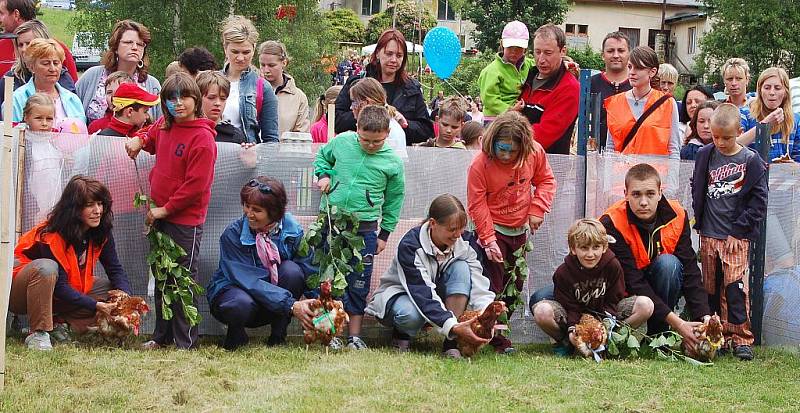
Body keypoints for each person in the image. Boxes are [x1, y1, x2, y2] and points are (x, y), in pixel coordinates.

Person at [124, 72, 218, 350]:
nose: (178, 104)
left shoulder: (202, 138)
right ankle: (161, 336)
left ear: (195, 99)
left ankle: (185, 341)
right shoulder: (165, 125)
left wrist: (165, 210)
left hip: (184, 220)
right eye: (171, 98)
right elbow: (150, 136)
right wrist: (139, 140)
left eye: (184, 97)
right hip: (158, 215)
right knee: (162, 278)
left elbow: (196, 187)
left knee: (182, 279)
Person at [314, 105, 405, 350]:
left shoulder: (392, 162)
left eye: (377, 141)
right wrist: (323, 175)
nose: (371, 145)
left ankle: (354, 336)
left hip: (364, 229)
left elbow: (394, 200)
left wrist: (384, 234)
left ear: (387, 133)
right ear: (357, 130)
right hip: (332, 222)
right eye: (365, 140)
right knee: (327, 279)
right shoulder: (342, 142)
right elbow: (322, 157)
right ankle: (328, 333)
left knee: (358, 280)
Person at [467, 111, 556, 353]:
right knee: (493, 286)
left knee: (514, 285)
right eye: (501, 149)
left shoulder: (534, 153)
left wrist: (537, 209)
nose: (506, 155)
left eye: (512, 151)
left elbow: (546, 180)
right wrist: (488, 239)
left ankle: (499, 332)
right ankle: (495, 339)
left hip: (520, 230)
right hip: (493, 228)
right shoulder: (480, 164)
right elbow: (477, 204)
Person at [11, 175, 133, 350]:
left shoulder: (100, 232)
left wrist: (125, 299)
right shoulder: (51, 235)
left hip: (59, 292)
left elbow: (115, 269)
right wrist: (97, 305)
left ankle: (60, 324)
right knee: (47, 268)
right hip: (18, 293)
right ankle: (38, 333)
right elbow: (59, 286)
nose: (98, 210)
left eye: (100, 204)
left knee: (110, 290)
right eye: (90, 205)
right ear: (74, 209)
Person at [599, 163, 710, 352]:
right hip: (623, 292)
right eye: (636, 194)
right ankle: (608, 336)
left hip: (661, 280)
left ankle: (659, 336)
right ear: (625, 194)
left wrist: (705, 318)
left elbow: (690, 270)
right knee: (542, 298)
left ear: (660, 192)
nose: (643, 202)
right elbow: (633, 280)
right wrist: (679, 323)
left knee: (669, 265)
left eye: (650, 194)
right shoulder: (611, 222)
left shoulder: (678, 215)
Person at [366, 194, 494, 358]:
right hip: (401, 296)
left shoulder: (466, 242)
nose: (458, 234)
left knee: (462, 268)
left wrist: (487, 314)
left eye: (461, 228)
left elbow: (480, 281)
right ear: (433, 223)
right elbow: (422, 293)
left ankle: (450, 343)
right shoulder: (410, 246)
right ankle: (402, 334)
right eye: (452, 229)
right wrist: (452, 326)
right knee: (410, 315)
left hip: (433, 297)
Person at [691, 103, 768, 361]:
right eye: (716, 137)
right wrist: (699, 219)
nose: (721, 142)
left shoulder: (751, 160)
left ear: (739, 131)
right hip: (709, 234)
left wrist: (739, 230)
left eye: (727, 137)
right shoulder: (705, 155)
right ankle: (717, 334)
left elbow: (759, 202)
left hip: (735, 237)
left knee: (734, 288)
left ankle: (741, 338)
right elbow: (698, 188)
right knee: (710, 288)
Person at [207, 177, 318, 350]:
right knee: (239, 303)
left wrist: (324, 303)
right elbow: (249, 281)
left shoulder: (292, 229)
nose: (248, 213)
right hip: (238, 295)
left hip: (274, 302)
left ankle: (278, 336)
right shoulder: (232, 234)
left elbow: (308, 268)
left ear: (274, 212)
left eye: (256, 210)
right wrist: (290, 304)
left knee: (293, 271)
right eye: (246, 205)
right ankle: (236, 336)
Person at [532, 219, 653, 357]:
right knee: (542, 311)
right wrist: (574, 330)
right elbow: (569, 306)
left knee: (646, 305)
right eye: (584, 248)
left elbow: (614, 299)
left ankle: (611, 341)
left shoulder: (613, 266)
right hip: (574, 315)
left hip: (606, 312)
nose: (590, 254)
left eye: (596, 247)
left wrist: (604, 327)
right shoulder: (563, 273)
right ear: (573, 248)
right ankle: (564, 342)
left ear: (604, 247)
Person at [334, 29, 433, 145]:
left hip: (397, 156)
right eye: (389, 54)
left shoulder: (412, 88)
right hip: (360, 153)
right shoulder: (357, 83)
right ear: (377, 54)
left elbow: (426, 131)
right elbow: (335, 120)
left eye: (399, 55)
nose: (393, 60)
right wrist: (365, 113)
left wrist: (402, 124)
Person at [75, 20, 162, 123]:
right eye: (128, 42)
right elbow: (72, 111)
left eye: (140, 44)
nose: (134, 48)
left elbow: (160, 125)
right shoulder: (92, 76)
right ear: (116, 47)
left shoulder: (152, 85)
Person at [604, 46, 680, 158]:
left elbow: (673, 148)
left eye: (638, 68)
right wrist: (608, 174)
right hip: (622, 173)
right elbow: (610, 147)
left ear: (652, 72)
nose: (632, 72)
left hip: (654, 173)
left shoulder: (667, 103)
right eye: (630, 67)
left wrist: (672, 175)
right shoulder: (615, 102)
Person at [515, 23, 580, 154]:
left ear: (563, 51)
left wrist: (508, 140)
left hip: (549, 167)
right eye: (537, 52)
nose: (541, 59)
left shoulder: (569, 87)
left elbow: (544, 135)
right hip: (518, 162)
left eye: (548, 53)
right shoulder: (528, 76)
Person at [219, 15, 279, 143]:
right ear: (225, 49)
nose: (240, 58)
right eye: (235, 52)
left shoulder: (263, 87)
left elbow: (271, 139)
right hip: (211, 154)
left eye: (246, 52)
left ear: (253, 49)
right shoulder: (209, 81)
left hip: (245, 157)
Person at [0, 19, 75, 116]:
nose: (24, 49)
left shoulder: (62, 78)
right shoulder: (10, 79)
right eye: (20, 45)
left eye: (29, 43)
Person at [10, 38, 85, 126]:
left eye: (56, 63)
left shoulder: (73, 100)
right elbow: (12, 135)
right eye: (46, 63)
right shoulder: (17, 99)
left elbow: (82, 134)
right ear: (31, 67)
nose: (52, 69)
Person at [0, 0, 77, 80]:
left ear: (16, 14)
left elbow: (72, 88)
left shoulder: (57, 48)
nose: (24, 49)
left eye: (1, 13)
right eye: (20, 45)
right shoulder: (1, 47)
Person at [737, 67, 800, 162]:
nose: (772, 92)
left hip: (783, 175)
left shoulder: (796, 120)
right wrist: (765, 125)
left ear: (785, 92)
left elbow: (797, 156)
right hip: (754, 175)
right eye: (767, 88)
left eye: (777, 88)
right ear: (760, 91)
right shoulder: (745, 114)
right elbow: (732, 147)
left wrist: (792, 166)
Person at [478, 20, 534, 123]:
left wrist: (564, 63)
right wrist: (510, 110)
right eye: (510, 47)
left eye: (518, 48)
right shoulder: (491, 71)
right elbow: (490, 99)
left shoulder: (529, 64)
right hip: (495, 119)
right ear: (502, 44)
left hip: (517, 117)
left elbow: (543, 65)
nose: (514, 51)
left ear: (525, 48)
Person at [590, 31, 632, 150]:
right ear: (602, 55)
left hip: (630, 157)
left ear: (629, 54)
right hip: (595, 155)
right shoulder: (590, 84)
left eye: (621, 50)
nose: (616, 55)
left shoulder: (638, 85)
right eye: (610, 51)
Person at [258, 40, 310, 135]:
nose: (266, 70)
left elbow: (301, 135)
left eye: (271, 65)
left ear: (284, 63)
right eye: (262, 65)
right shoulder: (250, 90)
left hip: (285, 148)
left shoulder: (298, 97)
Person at [348, 77, 407, 157]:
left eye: (354, 102)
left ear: (366, 103)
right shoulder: (388, 123)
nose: (351, 107)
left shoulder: (383, 128)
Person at [196, 70, 247, 144]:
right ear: (198, 98)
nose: (218, 103)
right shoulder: (189, 130)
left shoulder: (235, 135)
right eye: (211, 97)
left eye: (223, 99)